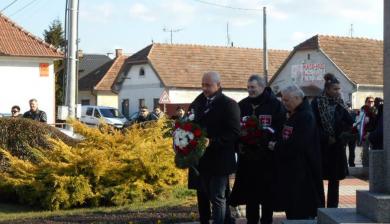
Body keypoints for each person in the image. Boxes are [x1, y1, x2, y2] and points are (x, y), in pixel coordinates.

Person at [230, 75, 286, 224]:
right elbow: (235, 128)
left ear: (262, 87)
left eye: (253, 87)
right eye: (248, 87)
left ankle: (267, 220)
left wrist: (269, 140)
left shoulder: (275, 105)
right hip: (247, 159)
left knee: (267, 194)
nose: (250, 90)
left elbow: (280, 128)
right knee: (250, 194)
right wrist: (239, 143)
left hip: (267, 159)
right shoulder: (242, 105)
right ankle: (251, 221)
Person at [188, 71, 240, 224]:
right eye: (203, 85)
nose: (204, 88)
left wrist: (212, 142)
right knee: (202, 196)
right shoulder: (198, 102)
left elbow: (234, 133)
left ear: (218, 85)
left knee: (218, 197)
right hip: (200, 160)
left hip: (219, 160)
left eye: (208, 85)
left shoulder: (229, 104)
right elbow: (188, 123)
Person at [268, 85, 324, 220]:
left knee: (300, 212)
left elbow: (299, 143)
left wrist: (277, 146)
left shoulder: (306, 116)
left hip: (302, 174)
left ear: (298, 98)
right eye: (283, 100)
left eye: (287, 100)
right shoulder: (295, 114)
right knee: (292, 209)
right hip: (292, 172)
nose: (284, 103)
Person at [311, 73, 353, 208]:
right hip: (322, 147)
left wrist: (342, 135)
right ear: (327, 89)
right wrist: (325, 137)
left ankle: (332, 209)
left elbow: (349, 122)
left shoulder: (340, 103)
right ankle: (319, 208)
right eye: (335, 89)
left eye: (338, 89)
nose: (338, 92)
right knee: (318, 179)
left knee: (334, 181)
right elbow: (313, 125)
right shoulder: (317, 102)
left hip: (336, 148)